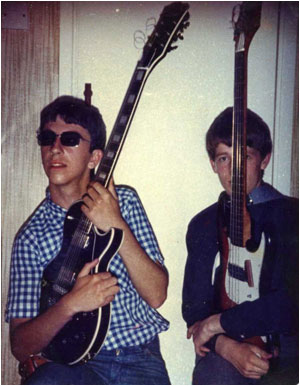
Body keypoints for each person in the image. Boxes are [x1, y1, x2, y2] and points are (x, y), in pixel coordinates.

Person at [6, 95, 171, 385]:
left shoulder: (125, 203)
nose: (55, 149)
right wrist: (72, 303)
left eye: (69, 139)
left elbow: (157, 294)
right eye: (47, 138)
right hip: (73, 366)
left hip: (138, 358)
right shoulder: (30, 238)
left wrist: (116, 222)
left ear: (95, 157)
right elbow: (20, 345)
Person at [182, 107, 298, 385]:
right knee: (214, 375)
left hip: (288, 352)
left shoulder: (291, 215)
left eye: (244, 157)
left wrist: (217, 324)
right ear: (212, 164)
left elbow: (291, 305)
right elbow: (194, 309)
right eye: (224, 158)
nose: (234, 170)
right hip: (226, 350)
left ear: (264, 160)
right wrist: (226, 346)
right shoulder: (203, 224)